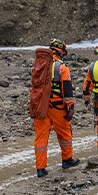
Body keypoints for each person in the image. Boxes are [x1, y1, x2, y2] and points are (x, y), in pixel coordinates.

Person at [33, 39, 80, 177]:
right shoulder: (61, 68)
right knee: (65, 134)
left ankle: (40, 169)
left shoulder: (38, 65)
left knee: (40, 138)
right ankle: (67, 160)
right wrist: (70, 107)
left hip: (40, 106)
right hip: (57, 106)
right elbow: (67, 90)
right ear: (61, 52)